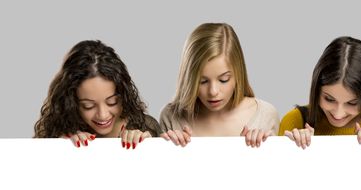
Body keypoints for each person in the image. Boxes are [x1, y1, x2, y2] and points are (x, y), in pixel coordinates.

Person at [279, 36, 361, 150]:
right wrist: (292, 151)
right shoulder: (295, 121)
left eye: (352, 103)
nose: (338, 114)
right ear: (316, 90)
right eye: (329, 99)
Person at [160, 22, 279, 148]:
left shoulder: (265, 115)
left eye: (224, 79)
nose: (213, 91)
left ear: (238, 74)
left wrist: (265, 149)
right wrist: (167, 149)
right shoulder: (171, 117)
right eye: (202, 81)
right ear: (189, 79)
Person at [34, 40, 162, 149]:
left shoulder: (147, 127)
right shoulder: (57, 130)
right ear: (71, 103)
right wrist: (57, 148)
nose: (103, 115)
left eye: (112, 102)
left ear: (124, 95)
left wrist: (151, 148)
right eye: (88, 106)